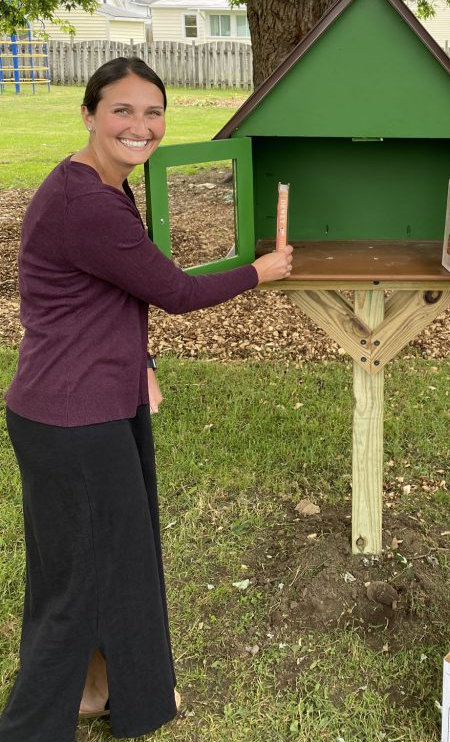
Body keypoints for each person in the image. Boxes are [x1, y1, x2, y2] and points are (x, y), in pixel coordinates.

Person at [0, 57, 293, 741]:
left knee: (103, 562)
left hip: (86, 400)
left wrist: (144, 360)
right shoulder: (87, 203)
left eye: (152, 111)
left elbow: (110, 293)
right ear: (89, 114)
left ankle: (100, 692)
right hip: (74, 419)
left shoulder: (102, 184)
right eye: (123, 111)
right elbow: (176, 292)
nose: (141, 126)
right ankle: (31, 725)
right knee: (82, 583)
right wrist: (262, 270)